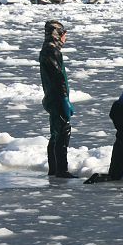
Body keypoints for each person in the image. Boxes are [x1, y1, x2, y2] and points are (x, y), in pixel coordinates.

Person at [39, 19, 77, 179]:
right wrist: (64, 99)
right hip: (56, 98)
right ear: (59, 34)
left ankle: (54, 169)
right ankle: (61, 170)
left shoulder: (47, 50)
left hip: (52, 97)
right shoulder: (52, 51)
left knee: (56, 132)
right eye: (64, 35)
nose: (65, 38)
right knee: (62, 131)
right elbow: (58, 77)